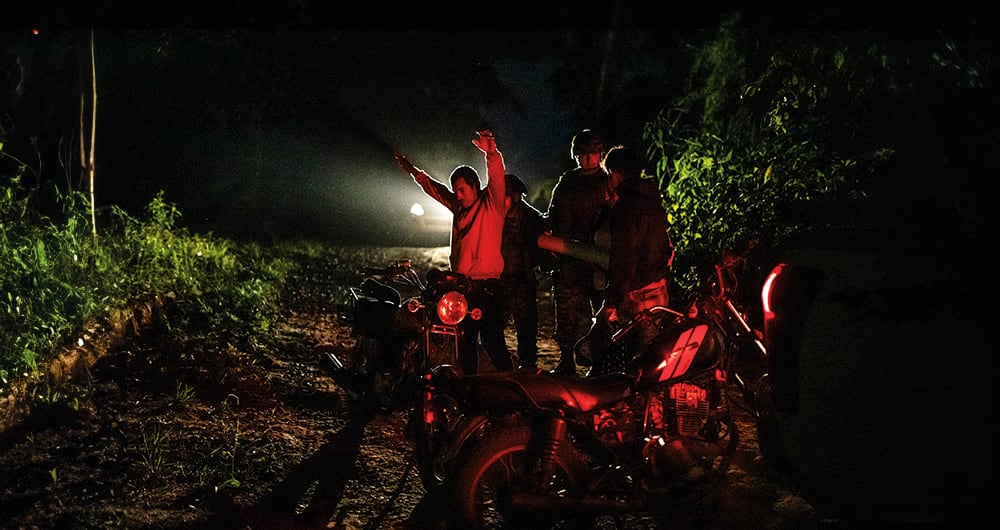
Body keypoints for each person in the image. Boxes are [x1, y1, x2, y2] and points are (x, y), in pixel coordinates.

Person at [393, 130, 513, 374]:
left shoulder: (491, 206)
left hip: (487, 288)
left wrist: (491, 153)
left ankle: (509, 385)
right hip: (462, 288)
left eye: (461, 190)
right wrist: (412, 170)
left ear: (475, 187)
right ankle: (468, 388)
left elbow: (497, 179)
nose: (458, 195)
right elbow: (434, 189)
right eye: (455, 191)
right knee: (465, 342)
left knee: (492, 341)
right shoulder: (459, 208)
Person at [587, 145, 672, 375]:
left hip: (638, 297)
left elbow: (624, 258)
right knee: (650, 363)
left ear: (614, 174)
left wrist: (611, 302)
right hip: (659, 290)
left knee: (634, 367)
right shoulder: (652, 200)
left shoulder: (628, 206)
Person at [544, 128, 610, 375]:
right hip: (569, 258)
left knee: (604, 316)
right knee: (566, 316)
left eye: (592, 153)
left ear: (600, 154)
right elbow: (554, 214)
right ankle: (566, 361)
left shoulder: (608, 182)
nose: (587, 158)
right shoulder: (567, 182)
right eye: (582, 154)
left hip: (599, 261)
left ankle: (604, 364)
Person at [500, 173, 548, 372]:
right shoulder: (493, 216)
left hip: (522, 280)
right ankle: (503, 369)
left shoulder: (529, 218)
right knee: (493, 330)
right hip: (499, 281)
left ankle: (528, 370)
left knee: (526, 330)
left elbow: (543, 246)